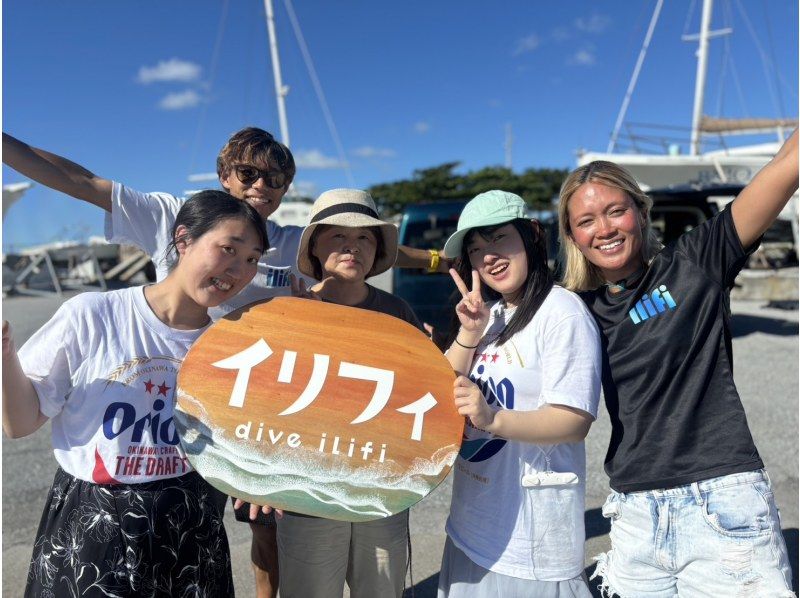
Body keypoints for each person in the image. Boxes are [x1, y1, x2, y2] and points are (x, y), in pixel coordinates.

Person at [2, 126, 450, 598]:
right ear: (223, 176)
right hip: (179, 395)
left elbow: (368, 247)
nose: (262, 186)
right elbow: (81, 181)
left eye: (276, 180)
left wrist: (441, 260)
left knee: (268, 526)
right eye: (248, 173)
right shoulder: (171, 216)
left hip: (245, 401)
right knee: (260, 531)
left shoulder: (290, 240)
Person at [557, 130, 798, 597]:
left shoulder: (696, 262)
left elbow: (787, 166)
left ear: (641, 212)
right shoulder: (573, 309)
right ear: (572, 236)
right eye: (586, 220)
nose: (604, 229)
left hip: (723, 498)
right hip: (634, 514)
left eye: (615, 210)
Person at [2, 190, 269, 597]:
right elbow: (19, 422)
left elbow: (241, 437)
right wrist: (5, 356)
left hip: (192, 522)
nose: (238, 269)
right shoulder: (93, 314)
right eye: (228, 248)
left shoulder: (229, 342)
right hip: (95, 520)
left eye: (251, 259)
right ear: (183, 240)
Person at [437, 190, 602, 597]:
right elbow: (438, 387)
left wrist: (494, 419)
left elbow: (574, 421)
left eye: (498, 239)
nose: (488, 256)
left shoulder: (562, 312)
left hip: (532, 537)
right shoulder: (488, 315)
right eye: (476, 249)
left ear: (531, 235)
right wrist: (468, 334)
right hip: (471, 523)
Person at [274, 188, 423, 598]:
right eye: (337, 237)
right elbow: (268, 406)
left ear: (376, 251)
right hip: (308, 487)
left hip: (382, 485)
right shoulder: (289, 315)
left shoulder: (399, 314)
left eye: (363, 238)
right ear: (315, 248)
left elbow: (422, 397)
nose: (351, 247)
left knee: (381, 588)